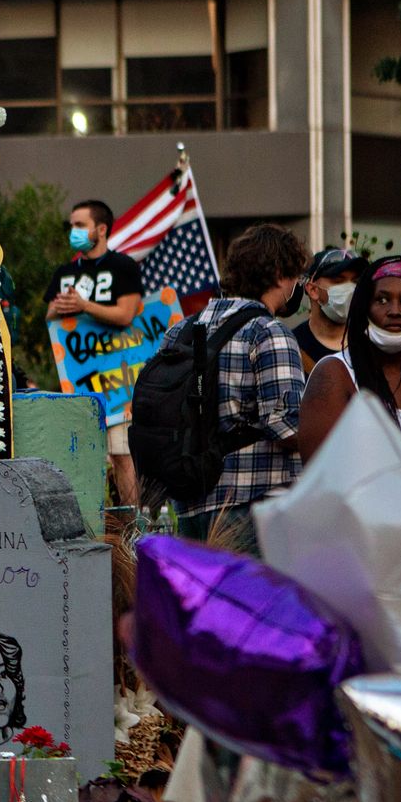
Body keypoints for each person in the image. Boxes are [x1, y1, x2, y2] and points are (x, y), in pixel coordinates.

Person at [162, 223, 310, 550]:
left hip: (190, 507)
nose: (296, 287)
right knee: (253, 601)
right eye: (295, 277)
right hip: (252, 505)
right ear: (277, 273)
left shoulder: (179, 332)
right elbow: (286, 427)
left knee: (206, 603)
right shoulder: (269, 332)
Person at [299, 255, 401, 479]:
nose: (396, 311)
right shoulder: (336, 373)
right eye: (382, 300)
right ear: (363, 306)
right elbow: (321, 482)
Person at [50, 200, 144, 505]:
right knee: (83, 458)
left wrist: (84, 306)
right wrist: (55, 309)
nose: (73, 232)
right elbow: (51, 320)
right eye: (71, 226)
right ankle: (93, 523)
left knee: (122, 456)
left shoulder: (123, 267)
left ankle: (130, 525)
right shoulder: (64, 272)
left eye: (80, 225)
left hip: (117, 381)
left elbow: (126, 315)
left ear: (101, 229)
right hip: (79, 380)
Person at [291, 248, 366, 372]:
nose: (350, 289)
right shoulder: (292, 346)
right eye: (338, 281)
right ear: (313, 290)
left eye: (356, 281)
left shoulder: (371, 347)